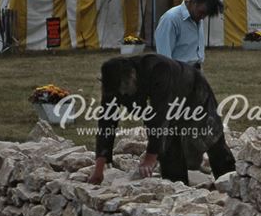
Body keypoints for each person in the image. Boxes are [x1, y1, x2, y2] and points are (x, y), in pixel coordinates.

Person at [88, 54, 236, 186]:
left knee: (212, 136)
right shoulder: (113, 84)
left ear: (132, 76)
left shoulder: (159, 69)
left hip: (194, 91)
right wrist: (100, 167)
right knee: (167, 146)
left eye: (124, 90)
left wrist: (150, 159)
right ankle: (177, 190)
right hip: (166, 104)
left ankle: (229, 182)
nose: (122, 94)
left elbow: (161, 116)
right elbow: (106, 123)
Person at [154, 0, 223, 70]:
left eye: (206, 14)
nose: (203, 17)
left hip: (195, 72)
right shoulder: (171, 19)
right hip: (178, 73)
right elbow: (164, 56)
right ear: (194, 2)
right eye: (201, 12)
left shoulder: (196, 17)